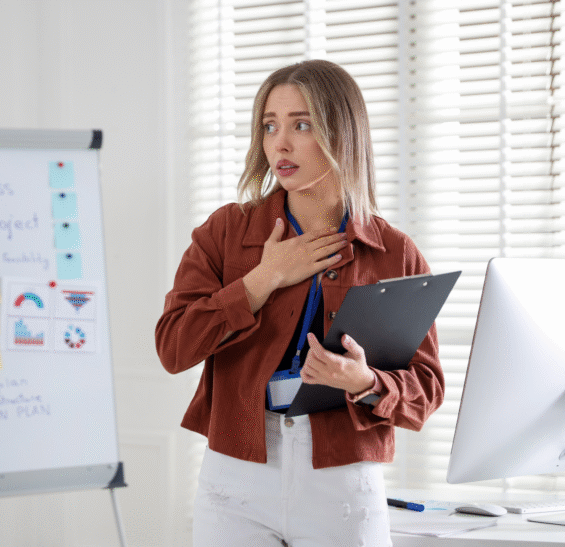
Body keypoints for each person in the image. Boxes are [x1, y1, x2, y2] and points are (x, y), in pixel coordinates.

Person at [156, 59, 443, 547]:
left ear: (342, 133)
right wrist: (261, 280)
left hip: (343, 485)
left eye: (301, 125)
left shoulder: (394, 251)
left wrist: (366, 381)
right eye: (269, 126)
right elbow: (173, 348)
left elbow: (427, 389)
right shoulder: (226, 233)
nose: (279, 144)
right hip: (236, 481)